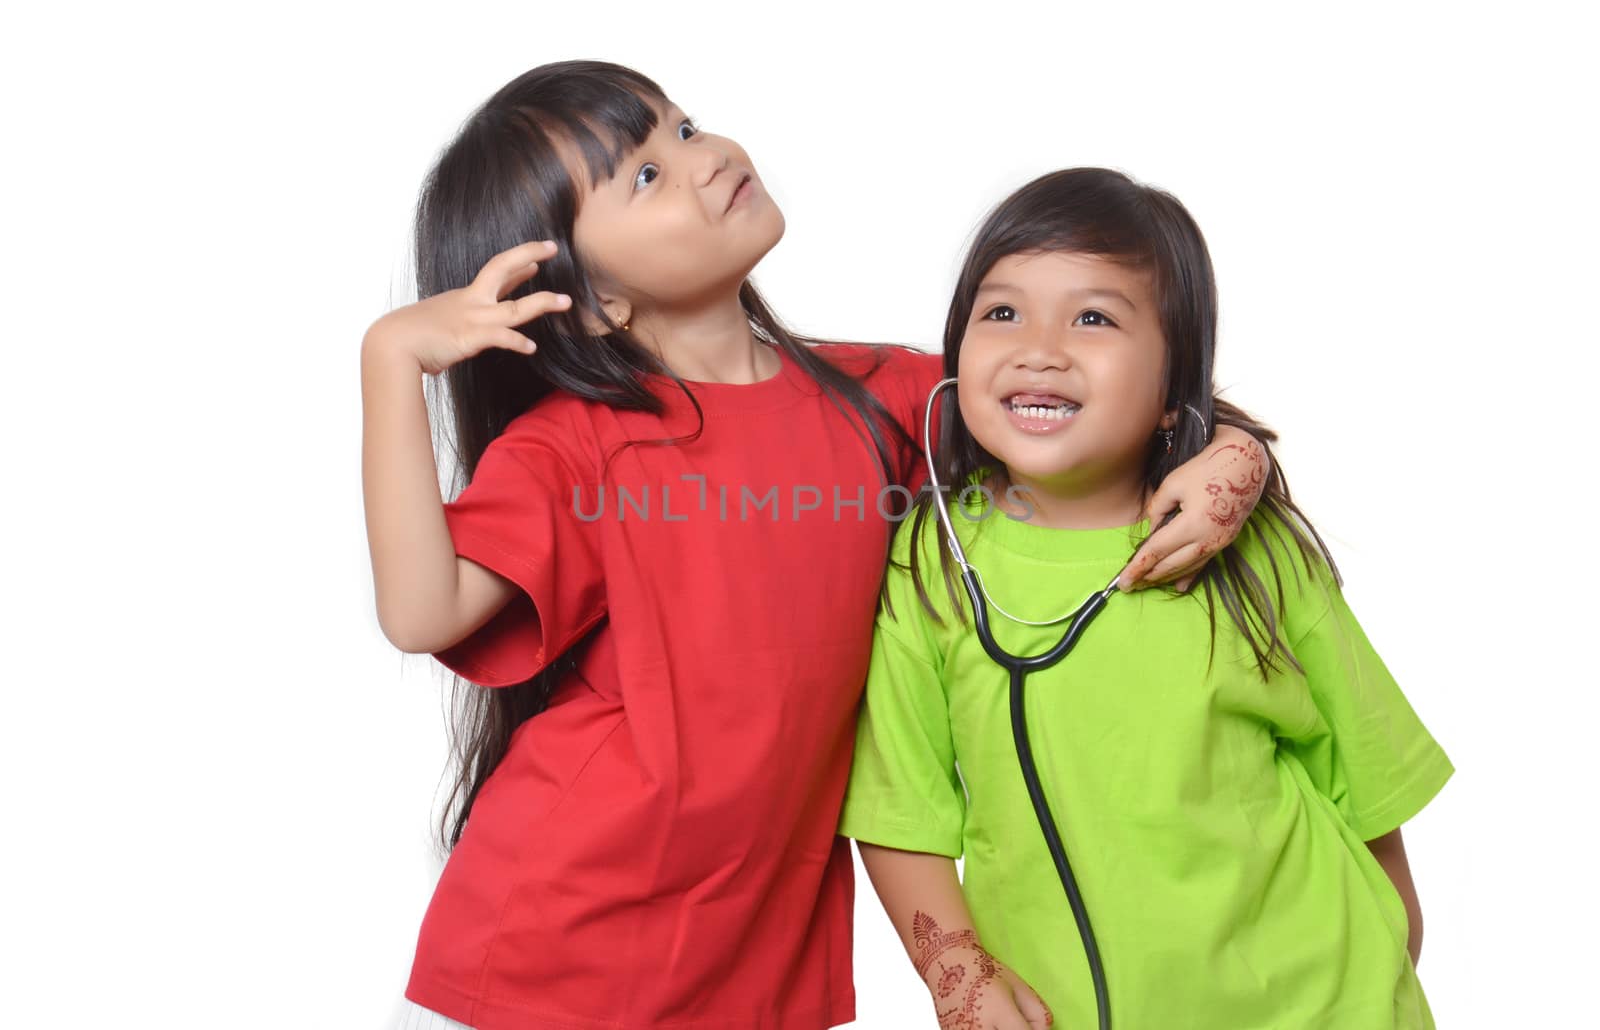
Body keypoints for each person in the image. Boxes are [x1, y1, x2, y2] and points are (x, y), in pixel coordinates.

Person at [362, 64, 1269, 1030]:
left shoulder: (880, 397)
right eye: (644, 175)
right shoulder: (576, 446)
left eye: (684, 127)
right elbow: (423, 612)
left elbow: (1086, 410)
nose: (702, 158)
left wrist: (1236, 454)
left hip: (754, 946)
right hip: (563, 940)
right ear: (591, 303)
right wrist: (391, 359)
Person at [839, 167, 1453, 1029]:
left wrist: (1385, 964)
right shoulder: (930, 562)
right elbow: (903, 809)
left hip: (1315, 998)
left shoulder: (1252, 550)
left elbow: (1364, 782)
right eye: (1001, 312)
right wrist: (957, 975)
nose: (1040, 346)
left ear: (1173, 392)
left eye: (1094, 317)